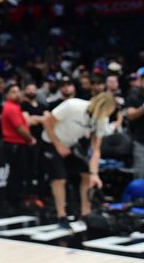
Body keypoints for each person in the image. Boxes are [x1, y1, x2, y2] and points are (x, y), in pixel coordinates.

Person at [41, 93, 116, 229]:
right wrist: (58, 145)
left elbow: (95, 148)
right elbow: (47, 122)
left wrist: (95, 174)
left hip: (70, 145)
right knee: (60, 179)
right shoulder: (73, 105)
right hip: (50, 142)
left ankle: (86, 214)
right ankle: (61, 216)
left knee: (86, 175)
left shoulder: (101, 119)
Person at [0, 84, 36, 212]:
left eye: (18, 91)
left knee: (16, 174)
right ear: (7, 94)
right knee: (17, 174)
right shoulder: (11, 108)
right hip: (14, 144)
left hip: (15, 144)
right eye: (13, 92)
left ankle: (14, 200)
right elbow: (19, 128)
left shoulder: (14, 107)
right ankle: (15, 201)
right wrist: (30, 139)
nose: (17, 94)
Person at [125, 69, 144, 179]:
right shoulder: (134, 96)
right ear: (141, 83)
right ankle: (140, 196)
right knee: (140, 174)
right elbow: (130, 115)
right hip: (141, 140)